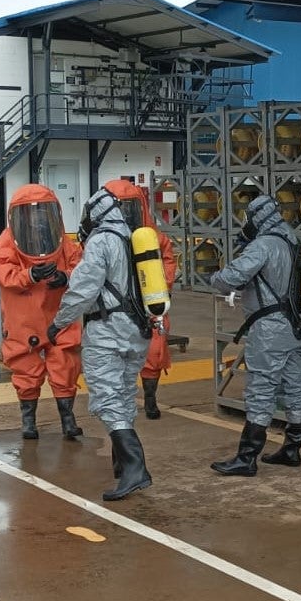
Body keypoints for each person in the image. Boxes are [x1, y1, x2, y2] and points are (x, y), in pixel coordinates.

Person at [52, 188, 155, 501]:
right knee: (123, 394)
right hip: (139, 331)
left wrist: (57, 323)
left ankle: (136, 468)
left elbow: (83, 291)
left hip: (107, 331)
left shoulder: (101, 241)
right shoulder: (135, 238)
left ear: (94, 214)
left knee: (106, 398)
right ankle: (122, 465)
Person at [206, 194, 301, 477]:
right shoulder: (293, 241)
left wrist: (215, 278)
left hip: (269, 329)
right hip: (295, 325)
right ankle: (292, 448)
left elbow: (228, 278)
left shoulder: (263, 246)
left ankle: (247, 457)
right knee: (296, 384)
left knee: (261, 388)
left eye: (249, 218)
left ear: (257, 218)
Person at [0, 184, 83, 441]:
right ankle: (28, 421)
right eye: (32, 213)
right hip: (24, 316)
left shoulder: (64, 243)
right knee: (25, 366)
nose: (38, 217)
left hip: (58, 313)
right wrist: (28, 275)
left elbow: (81, 269)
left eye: (43, 212)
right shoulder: (6, 243)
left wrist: (65, 277)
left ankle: (68, 419)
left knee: (65, 364)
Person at [103, 179, 177, 420]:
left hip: (149, 302)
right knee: (114, 353)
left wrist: (159, 289)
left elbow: (168, 263)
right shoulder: (104, 239)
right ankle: (118, 400)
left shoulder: (154, 236)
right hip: (116, 305)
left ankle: (150, 399)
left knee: (154, 352)